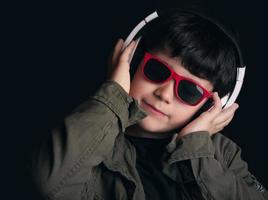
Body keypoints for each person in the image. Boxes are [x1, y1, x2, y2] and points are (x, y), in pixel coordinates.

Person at [30, 9, 268, 200]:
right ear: (131, 64)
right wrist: (115, 94)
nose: (164, 94)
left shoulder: (222, 154)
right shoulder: (89, 133)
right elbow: (50, 182)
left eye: (189, 90)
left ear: (209, 106)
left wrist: (196, 152)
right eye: (157, 70)